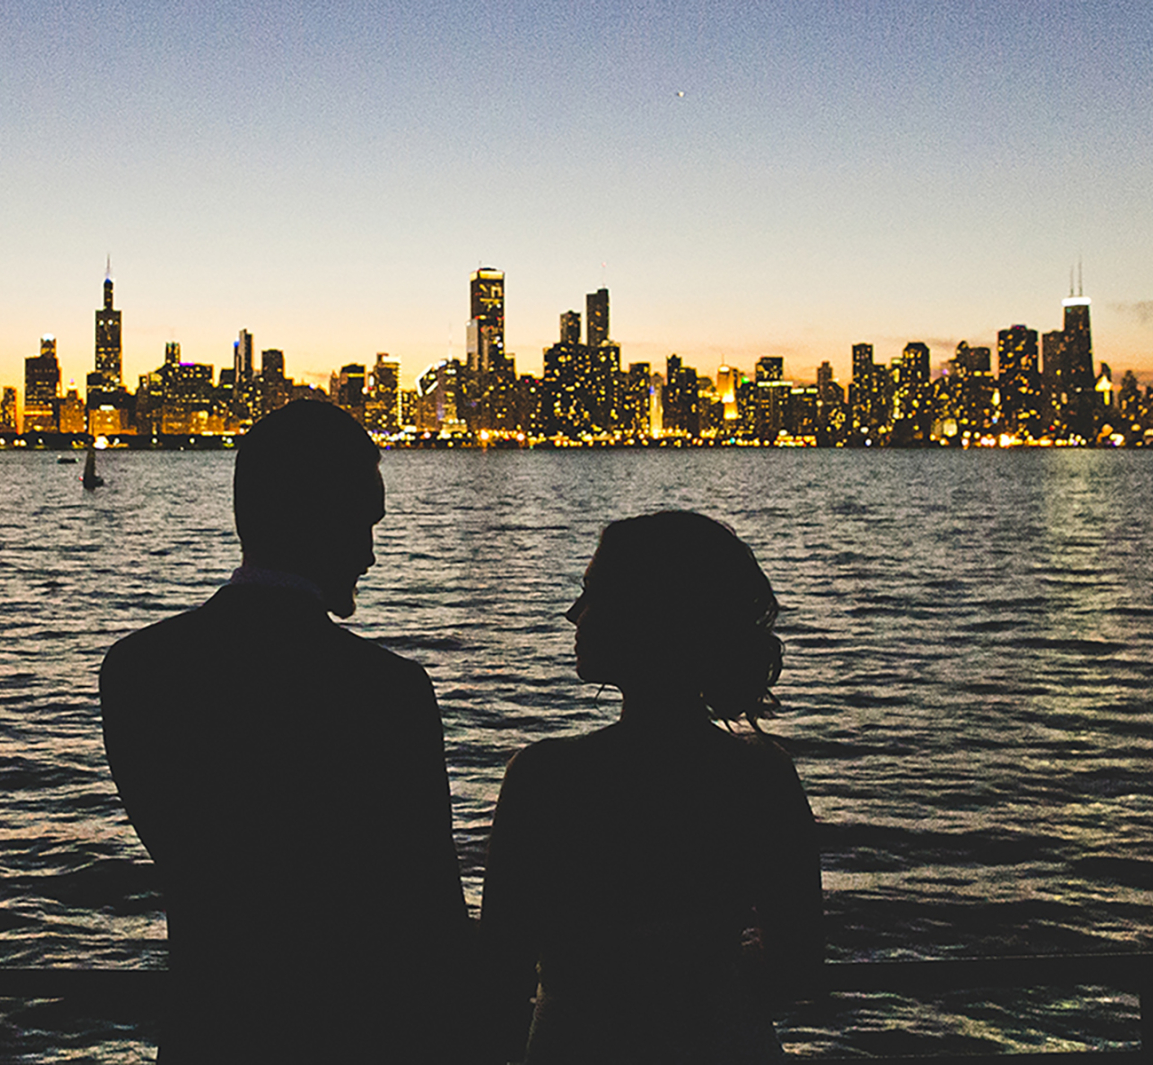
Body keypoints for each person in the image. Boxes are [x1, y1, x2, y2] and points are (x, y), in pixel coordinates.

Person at [101, 400, 472, 1062]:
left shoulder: (136, 670)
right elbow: (432, 915)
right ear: (321, 519)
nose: (371, 553)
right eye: (364, 524)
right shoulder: (388, 692)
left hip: (209, 1033)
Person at [480, 511, 823, 1064]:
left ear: (647, 617)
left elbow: (499, 976)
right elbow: (800, 964)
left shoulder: (544, 779)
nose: (574, 615)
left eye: (593, 595)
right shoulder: (762, 775)